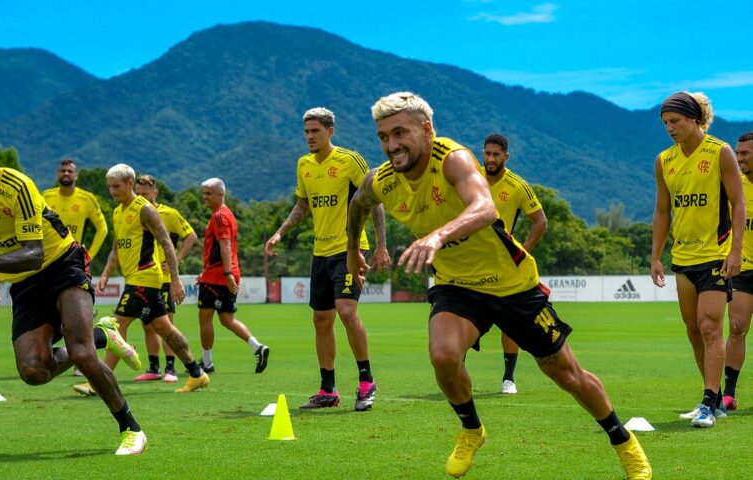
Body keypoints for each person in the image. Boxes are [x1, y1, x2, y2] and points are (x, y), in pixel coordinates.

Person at [347, 92, 651, 479]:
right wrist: (353, 252)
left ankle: (623, 441)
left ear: (426, 129)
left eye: (400, 133)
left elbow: (484, 208)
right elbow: (357, 204)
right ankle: (472, 430)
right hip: (457, 285)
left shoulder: (452, 159)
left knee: (565, 372)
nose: (391, 145)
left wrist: (437, 237)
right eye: (383, 137)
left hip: (511, 284)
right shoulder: (383, 180)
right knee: (443, 356)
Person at [0, 132, 147, 455]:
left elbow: (34, 253)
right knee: (34, 372)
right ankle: (103, 335)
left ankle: (131, 429)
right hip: (25, 283)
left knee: (81, 352)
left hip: (61, 264)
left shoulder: (15, 186)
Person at [266, 107, 388, 411]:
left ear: (330, 131)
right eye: (306, 131)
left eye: (315, 131)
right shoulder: (304, 165)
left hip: (349, 250)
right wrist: (280, 232)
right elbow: (302, 205)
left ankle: (366, 381)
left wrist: (381, 245)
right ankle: (328, 389)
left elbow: (374, 201)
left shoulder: (350, 160)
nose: (309, 136)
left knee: (346, 312)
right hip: (319, 253)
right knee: (321, 320)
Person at [651, 92, 745, 428]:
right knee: (693, 331)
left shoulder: (720, 152)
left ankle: (707, 402)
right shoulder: (664, 161)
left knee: (709, 327)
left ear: (694, 119)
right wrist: (655, 256)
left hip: (715, 257)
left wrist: (735, 251)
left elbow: (738, 204)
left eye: (675, 121)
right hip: (682, 259)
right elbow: (663, 211)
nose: (669, 128)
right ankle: (715, 399)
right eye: (665, 123)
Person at [75, 164, 209, 395]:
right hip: (136, 279)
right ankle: (197, 374)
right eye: (109, 187)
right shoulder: (118, 212)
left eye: (116, 186)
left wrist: (175, 280)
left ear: (129, 183)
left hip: (145, 277)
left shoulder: (145, 209)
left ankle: (99, 382)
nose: (112, 191)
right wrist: (106, 272)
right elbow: (117, 247)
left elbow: (166, 243)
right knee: (164, 328)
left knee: (115, 326)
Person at [481, 134, 547, 394]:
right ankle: (456, 372)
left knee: (509, 322)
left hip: (504, 265)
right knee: (461, 318)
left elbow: (540, 222)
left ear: (506, 157)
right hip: (470, 262)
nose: (491, 159)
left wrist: (521, 252)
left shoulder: (517, 185)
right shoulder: (471, 178)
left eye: (496, 154)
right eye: (487, 153)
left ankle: (508, 378)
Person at [43, 158, 109, 377]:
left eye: (70, 171)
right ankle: (71, 354)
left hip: (73, 263)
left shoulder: (86, 199)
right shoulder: (46, 197)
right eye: (63, 170)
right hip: (48, 263)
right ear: (57, 173)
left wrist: (89, 253)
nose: (66, 173)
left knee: (75, 311)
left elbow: (102, 229)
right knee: (54, 312)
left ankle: (83, 359)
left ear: (76, 175)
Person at [197, 178, 269, 374]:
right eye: (203, 193)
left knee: (205, 317)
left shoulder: (219, 217)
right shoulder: (227, 215)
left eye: (208, 193)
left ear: (220, 194)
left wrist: (226, 273)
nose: (205, 197)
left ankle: (206, 363)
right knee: (227, 319)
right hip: (221, 273)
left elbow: (225, 245)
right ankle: (258, 347)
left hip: (218, 276)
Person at [133, 175, 198, 383]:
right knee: (147, 324)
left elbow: (191, 236)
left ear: (155, 193)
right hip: (145, 277)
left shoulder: (169, 214)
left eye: (144, 193)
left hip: (165, 278)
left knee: (167, 323)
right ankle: (154, 367)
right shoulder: (135, 213)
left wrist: (175, 261)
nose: (141, 197)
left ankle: (171, 368)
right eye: (138, 193)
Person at [723, 131, 753, 410]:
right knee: (736, 327)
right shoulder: (736, 187)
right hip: (743, 268)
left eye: (744, 153)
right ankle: (729, 394)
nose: (739, 158)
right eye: (737, 153)